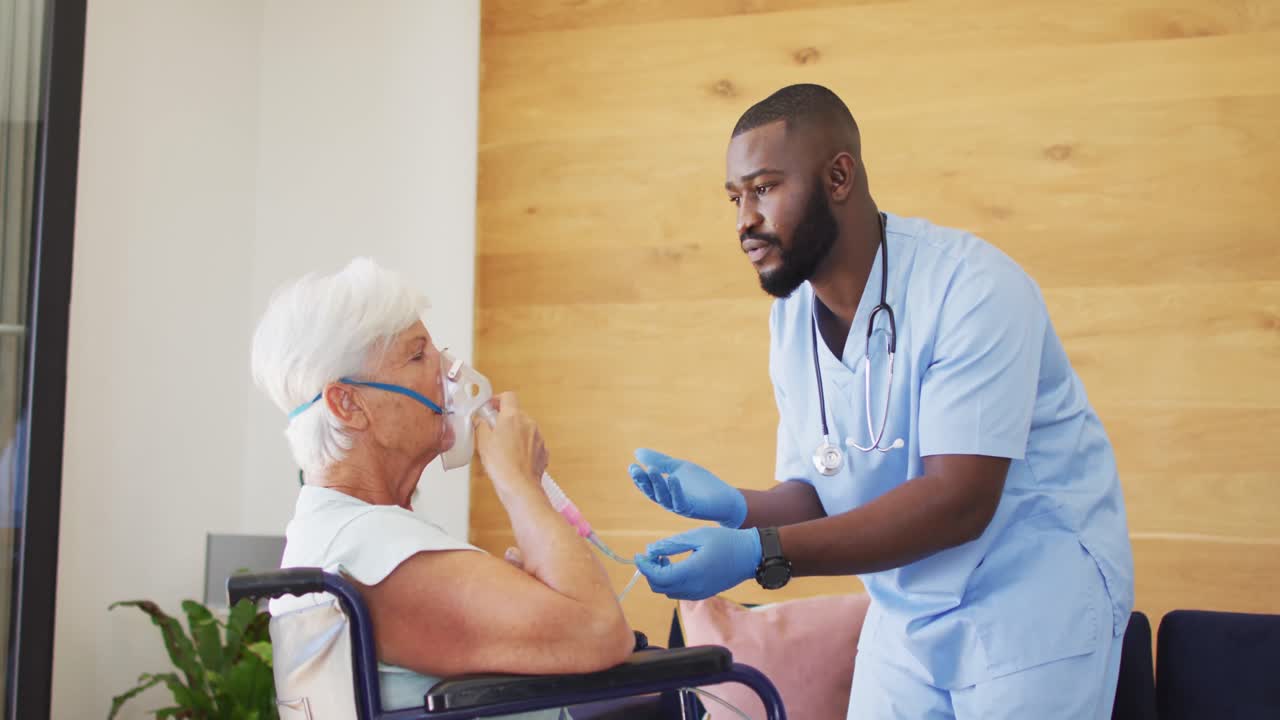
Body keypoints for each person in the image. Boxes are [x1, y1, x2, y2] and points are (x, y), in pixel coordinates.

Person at [629, 84, 1134, 719]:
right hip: (905, 609)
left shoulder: (972, 289)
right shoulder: (791, 319)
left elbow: (958, 502)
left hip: (1029, 606)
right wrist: (738, 508)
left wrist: (763, 552)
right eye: (735, 197)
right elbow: (821, 489)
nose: (743, 221)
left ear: (839, 176)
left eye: (763, 188)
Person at [251, 257, 632, 715]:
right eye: (417, 356)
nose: (450, 370)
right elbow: (599, 632)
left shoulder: (338, 536)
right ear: (348, 404)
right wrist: (517, 479)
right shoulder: (370, 551)